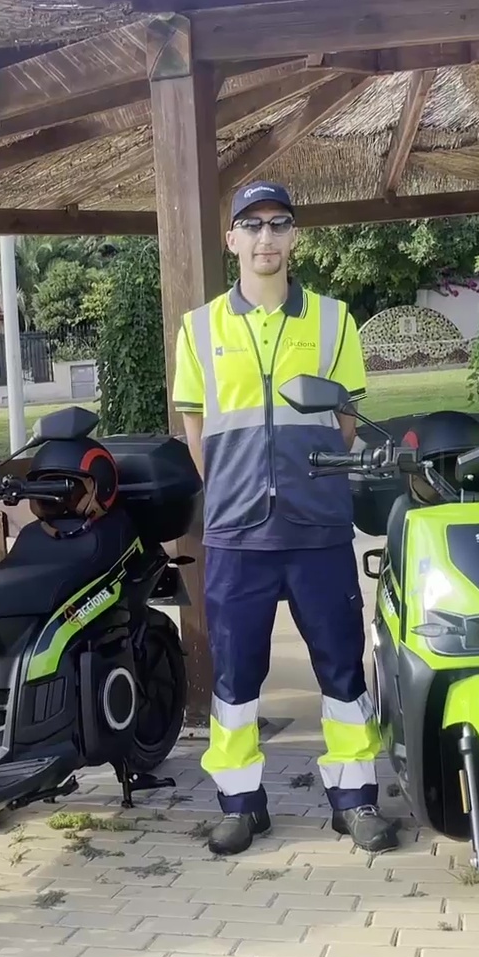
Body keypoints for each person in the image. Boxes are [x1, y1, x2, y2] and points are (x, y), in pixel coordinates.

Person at [170, 180, 396, 856]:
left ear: (295, 237)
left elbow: (346, 420)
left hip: (317, 525)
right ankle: (240, 805)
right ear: (231, 239)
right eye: (252, 225)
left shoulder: (332, 319)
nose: (266, 237)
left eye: (279, 224)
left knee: (342, 668)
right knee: (235, 676)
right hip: (238, 531)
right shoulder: (199, 326)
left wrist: (306, 479)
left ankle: (354, 799)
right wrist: (239, 487)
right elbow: (195, 426)